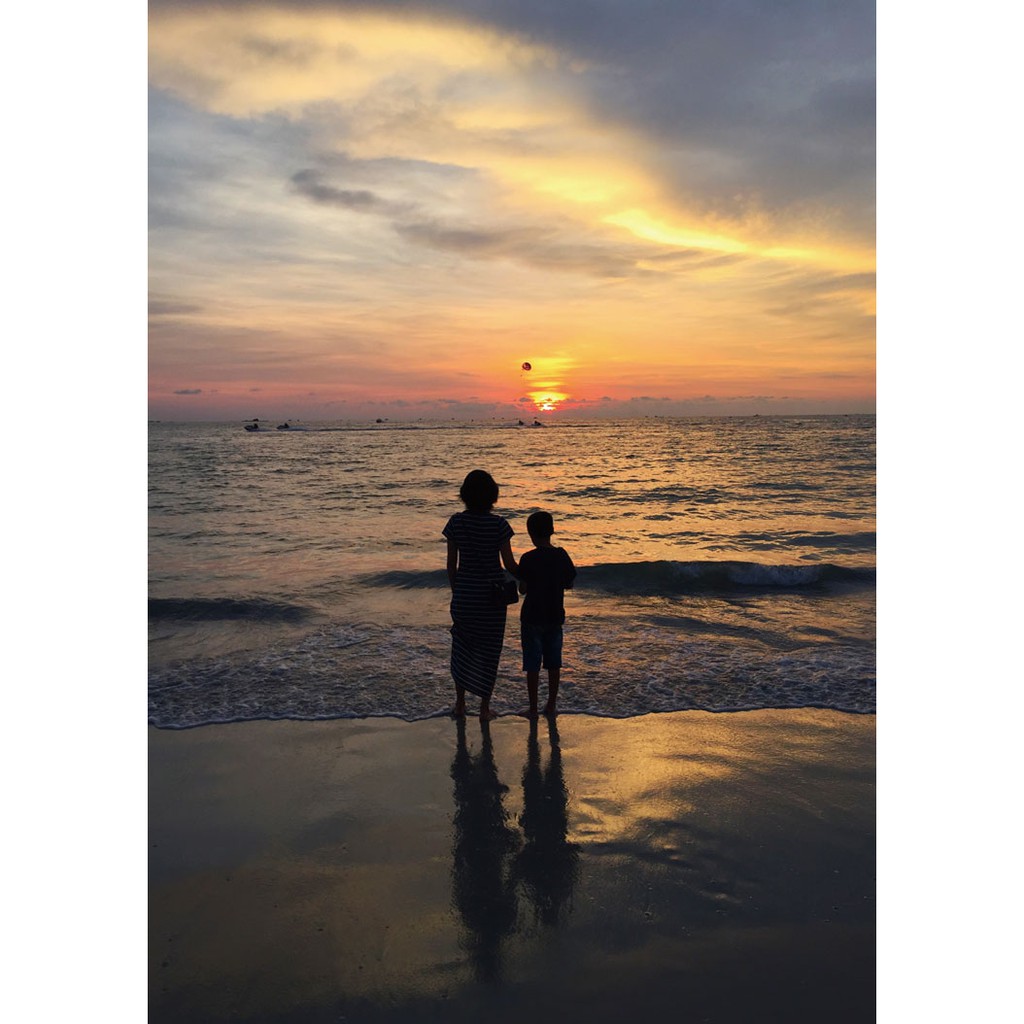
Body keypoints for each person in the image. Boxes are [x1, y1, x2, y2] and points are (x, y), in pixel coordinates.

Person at [443, 470, 518, 720]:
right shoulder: (499, 525)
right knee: (489, 650)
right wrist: (533, 574)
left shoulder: (456, 523)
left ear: (464, 495)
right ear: (492, 496)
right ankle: (485, 708)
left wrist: (457, 591)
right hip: (491, 598)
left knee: (462, 648)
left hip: (465, 596)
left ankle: (460, 704)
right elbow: (509, 564)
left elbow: (451, 565)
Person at [516, 511, 576, 718]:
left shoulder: (528, 558)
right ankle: (551, 705)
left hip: (532, 616)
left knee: (532, 664)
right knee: (553, 663)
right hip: (554, 615)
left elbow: (523, 589)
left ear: (530, 533)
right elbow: (569, 583)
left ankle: (533, 709)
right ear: (552, 531)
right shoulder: (561, 555)